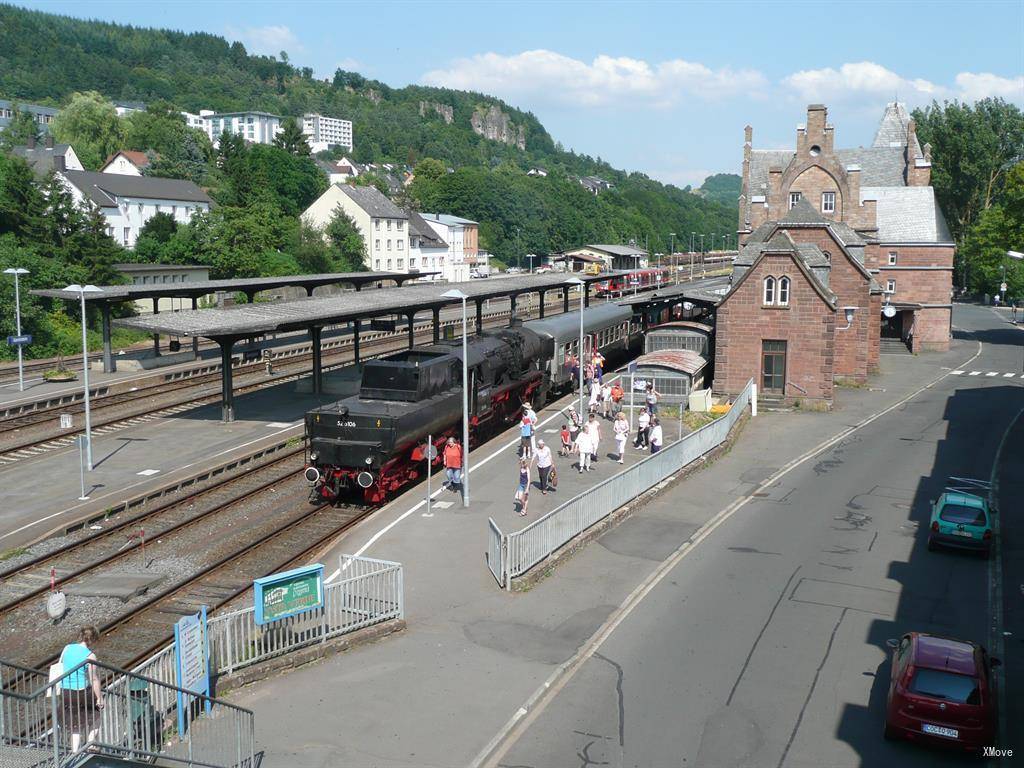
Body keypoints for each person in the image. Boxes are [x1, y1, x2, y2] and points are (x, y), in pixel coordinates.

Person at [59, 626, 104, 753]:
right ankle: (90, 743)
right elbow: (94, 679)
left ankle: (74, 752)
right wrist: (99, 697)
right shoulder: (90, 656)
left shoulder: (67, 648)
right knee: (96, 715)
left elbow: (61, 664)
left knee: (75, 725)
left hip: (65, 690)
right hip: (81, 691)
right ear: (93, 639)